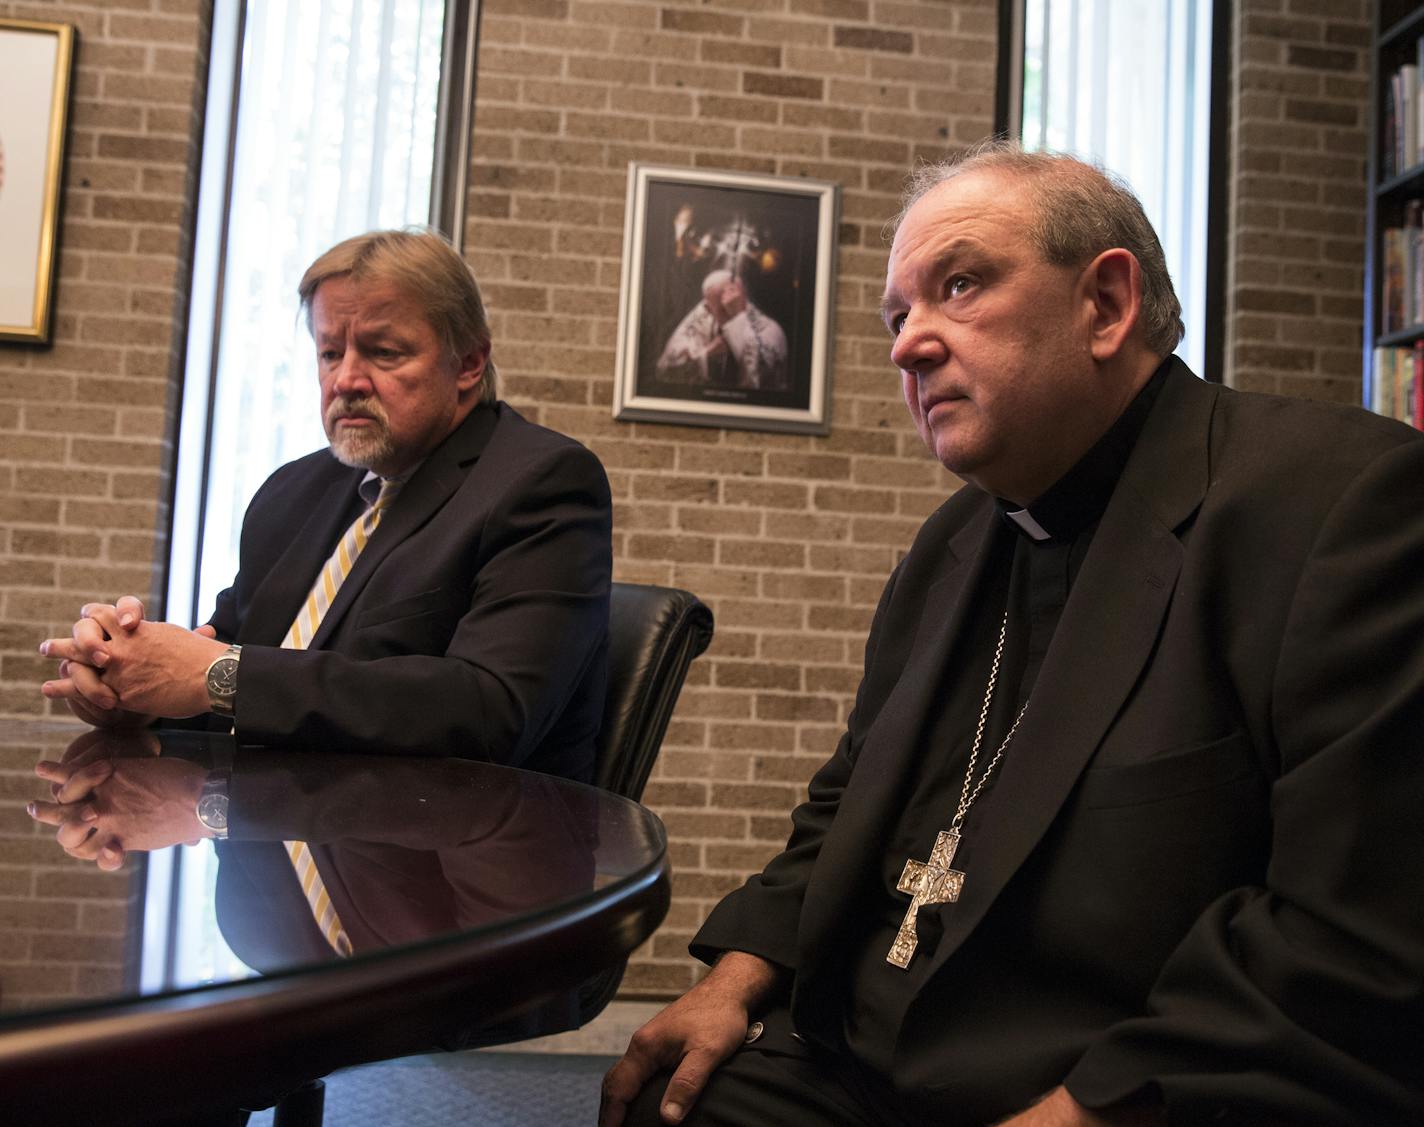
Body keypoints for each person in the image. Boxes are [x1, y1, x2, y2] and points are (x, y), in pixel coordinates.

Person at [601, 144, 1424, 1127]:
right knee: (664, 1098)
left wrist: (1080, 1110)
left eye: (958, 285)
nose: (908, 344)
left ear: (1105, 304)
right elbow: (843, 802)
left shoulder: (1339, 503)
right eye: (896, 316)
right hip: (861, 1053)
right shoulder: (954, 539)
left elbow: (1348, 934)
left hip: (1112, 1075)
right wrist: (731, 979)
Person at [33, 227, 613, 886]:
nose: (346, 379)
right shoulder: (295, 490)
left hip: (460, 898)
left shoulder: (542, 481)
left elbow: (489, 711)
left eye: (383, 352)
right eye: (329, 351)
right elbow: (229, 649)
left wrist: (216, 674)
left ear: (470, 363)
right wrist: (133, 682)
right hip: (280, 868)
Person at [656, 269, 789, 391]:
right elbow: (664, 369)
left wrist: (738, 321)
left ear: (744, 298)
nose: (729, 314)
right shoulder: (702, 316)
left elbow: (760, 382)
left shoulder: (769, 328)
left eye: (734, 305)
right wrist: (707, 353)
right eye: (723, 310)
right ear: (708, 307)